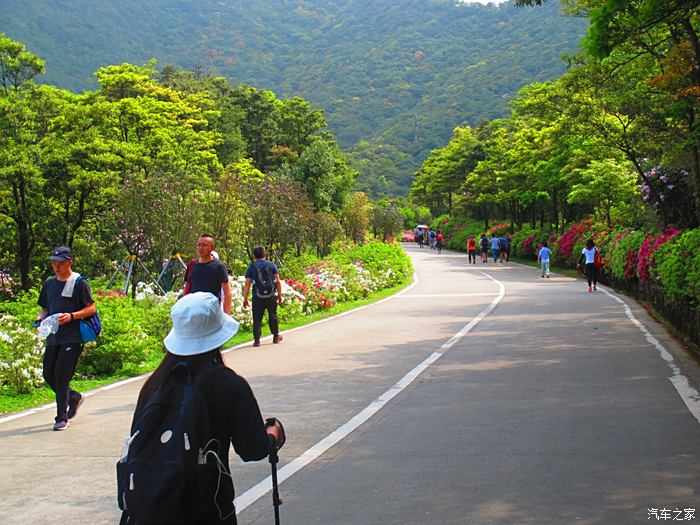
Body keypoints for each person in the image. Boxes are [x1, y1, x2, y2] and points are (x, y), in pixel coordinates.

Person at [120, 292, 285, 524]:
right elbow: (253, 449)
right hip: (207, 512)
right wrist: (273, 434)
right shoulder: (228, 384)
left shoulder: (155, 384)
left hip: (149, 511)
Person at [35, 246, 96, 431]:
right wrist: (40, 317)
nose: (56, 266)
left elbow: (91, 308)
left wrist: (72, 316)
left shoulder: (79, 283)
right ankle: (74, 397)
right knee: (48, 374)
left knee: (61, 375)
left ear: (70, 262)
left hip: (72, 335)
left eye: (60, 263)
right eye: (54, 263)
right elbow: (44, 308)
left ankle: (61, 417)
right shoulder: (49, 284)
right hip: (54, 336)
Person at [243, 247, 284, 347]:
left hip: (257, 297)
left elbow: (247, 283)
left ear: (253, 256)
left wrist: (245, 298)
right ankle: (275, 336)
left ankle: (257, 340)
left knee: (257, 318)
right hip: (271, 296)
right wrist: (279, 295)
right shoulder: (271, 265)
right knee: (272, 315)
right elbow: (277, 281)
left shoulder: (252, 267)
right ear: (264, 254)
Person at [184, 234, 232, 314]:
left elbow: (227, 293)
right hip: (193, 310)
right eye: (198, 245)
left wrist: (226, 315)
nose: (200, 248)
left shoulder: (219, 267)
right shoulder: (192, 265)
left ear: (212, 248)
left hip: (211, 312)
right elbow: (187, 287)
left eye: (204, 245)